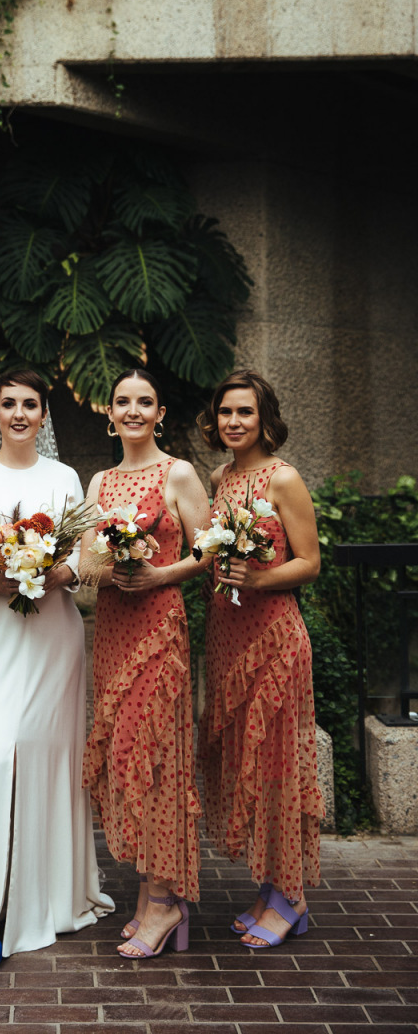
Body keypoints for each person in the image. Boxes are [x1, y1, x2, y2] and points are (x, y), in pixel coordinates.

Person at [0, 369, 113, 966]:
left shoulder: (63, 477)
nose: (18, 413)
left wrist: (54, 573)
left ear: (44, 415)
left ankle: (46, 895)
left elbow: (90, 553)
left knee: (44, 758)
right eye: (8, 403)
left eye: (29, 404)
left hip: (53, 637)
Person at [80, 368, 209, 960]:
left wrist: (158, 571)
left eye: (146, 402)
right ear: (110, 413)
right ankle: (147, 893)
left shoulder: (178, 472)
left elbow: (210, 550)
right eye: (123, 402)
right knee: (125, 758)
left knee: (156, 755)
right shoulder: (101, 479)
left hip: (158, 628)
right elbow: (85, 564)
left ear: (160, 414)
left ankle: (163, 899)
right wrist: (111, 560)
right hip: (111, 629)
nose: (134, 411)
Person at [196, 368, 323, 948]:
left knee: (277, 765)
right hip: (228, 636)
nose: (234, 422)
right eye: (225, 413)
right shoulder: (220, 476)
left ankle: (291, 899)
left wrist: (262, 574)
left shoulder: (284, 478)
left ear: (264, 417)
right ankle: (272, 888)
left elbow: (310, 562)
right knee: (248, 761)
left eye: (244, 412)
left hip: (273, 640)